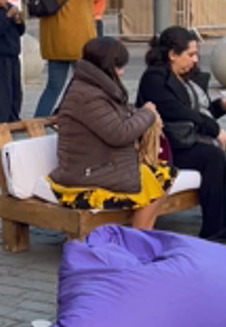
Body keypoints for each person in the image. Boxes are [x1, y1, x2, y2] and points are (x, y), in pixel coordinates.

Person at [137, 26, 226, 244]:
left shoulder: (188, 77)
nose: (195, 60)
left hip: (194, 136)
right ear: (172, 55)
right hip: (171, 144)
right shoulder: (154, 78)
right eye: (190, 54)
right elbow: (177, 112)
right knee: (212, 157)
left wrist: (222, 107)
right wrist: (216, 131)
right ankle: (215, 229)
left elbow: (200, 113)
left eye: (196, 54)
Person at [48, 37, 171, 229]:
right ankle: (137, 241)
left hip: (102, 165)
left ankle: (142, 237)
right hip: (85, 174)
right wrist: (147, 114)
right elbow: (119, 133)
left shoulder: (95, 88)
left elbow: (115, 122)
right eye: (119, 66)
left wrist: (140, 113)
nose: (122, 72)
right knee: (155, 181)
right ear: (107, 66)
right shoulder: (87, 95)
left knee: (162, 176)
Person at [33, 0, 145, 117]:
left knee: (53, 87)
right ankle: (91, 119)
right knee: (91, 83)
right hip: (76, 38)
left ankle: (38, 125)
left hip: (54, 38)